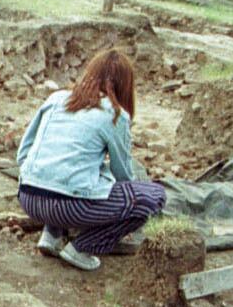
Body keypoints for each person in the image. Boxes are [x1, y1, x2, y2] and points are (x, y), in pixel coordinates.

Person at [14, 49, 165, 272]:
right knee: (153, 197)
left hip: (28, 197)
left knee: (63, 174)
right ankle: (82, 247)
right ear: (125, 85)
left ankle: (52, 235)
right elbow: (123, 175)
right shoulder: (115, 114)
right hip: (68, 207)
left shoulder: (56, 99)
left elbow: (22, 154)